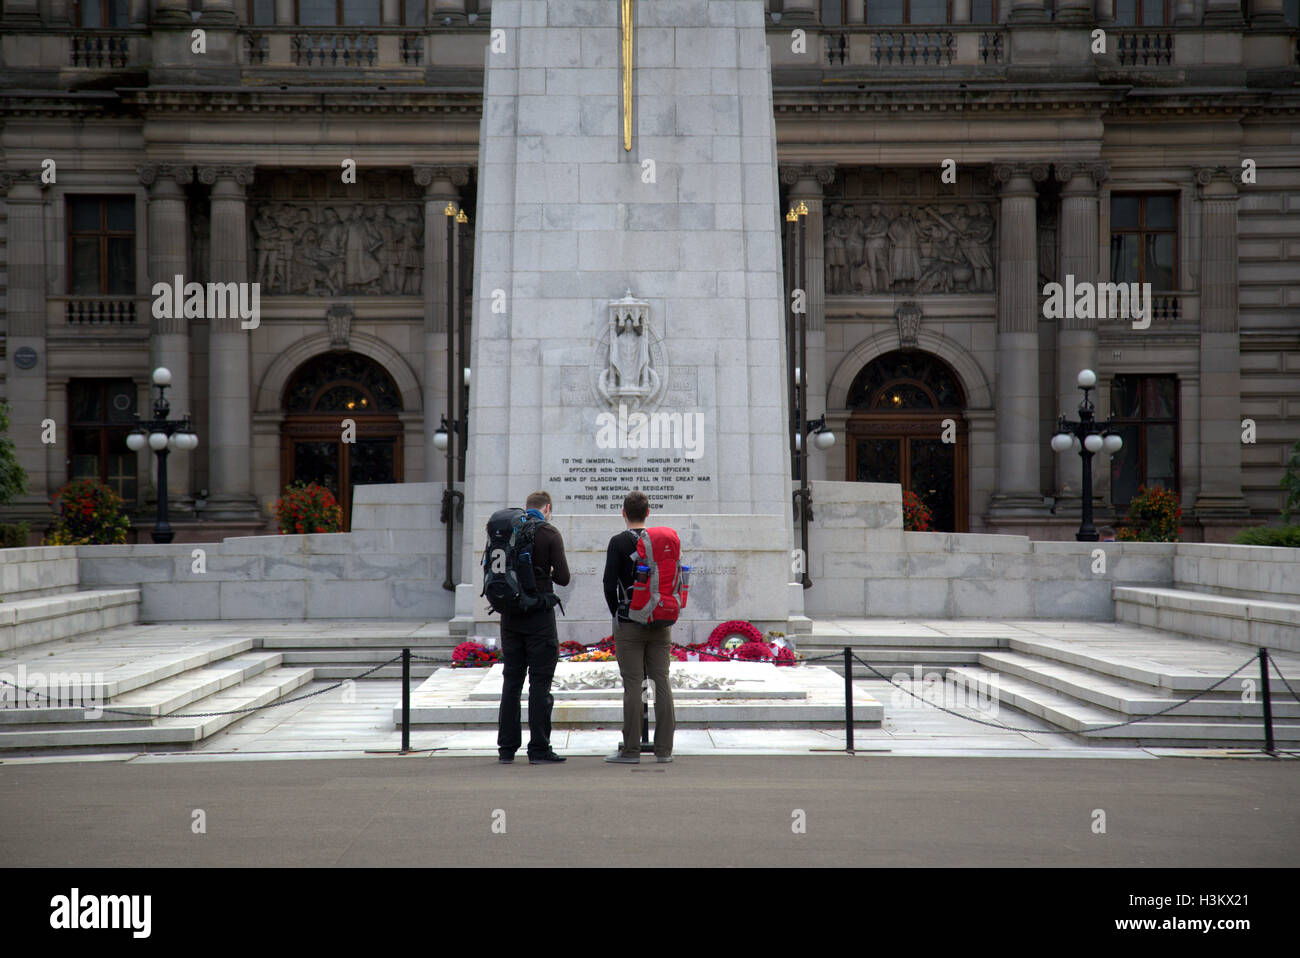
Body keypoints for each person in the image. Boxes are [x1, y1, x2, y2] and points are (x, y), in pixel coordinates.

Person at [602, 490, 675, 765]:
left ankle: (631, 750)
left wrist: (618, 614)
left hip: (630, 621)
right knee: (662, 682)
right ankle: (664, 750)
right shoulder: (661, 540)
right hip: (660, 621)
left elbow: (609, 584)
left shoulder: (618, 542)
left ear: (623, 513)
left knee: (633, 685)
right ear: (648, 512)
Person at [497, 491, 570, 765]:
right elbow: (563, 578)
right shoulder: (549, 533)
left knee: (511, 683)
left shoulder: (506, 531)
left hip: (510, 616)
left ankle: (506, 749)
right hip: (539, 617)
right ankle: (538, 748)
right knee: (540, 683)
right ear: (547, 508)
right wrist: (546, 572)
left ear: (526, 507)